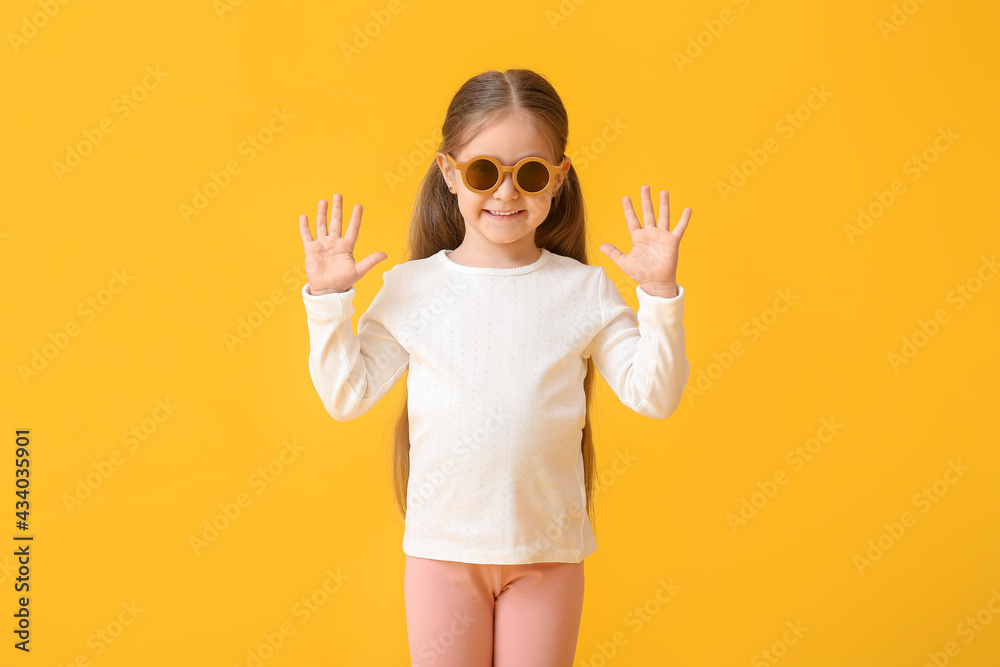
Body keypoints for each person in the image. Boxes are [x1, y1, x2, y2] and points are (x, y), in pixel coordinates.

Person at [296, 68, 691, 667]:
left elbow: (653, 395)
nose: (507, 193)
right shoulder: (413, 290)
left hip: (546, 556)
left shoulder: (584, 290)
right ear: (450, 174)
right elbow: (346, 396)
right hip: (442, 554)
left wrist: (660, 295)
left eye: (529, 174)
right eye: (484, 172)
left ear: (557, 179)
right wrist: (328, 303)